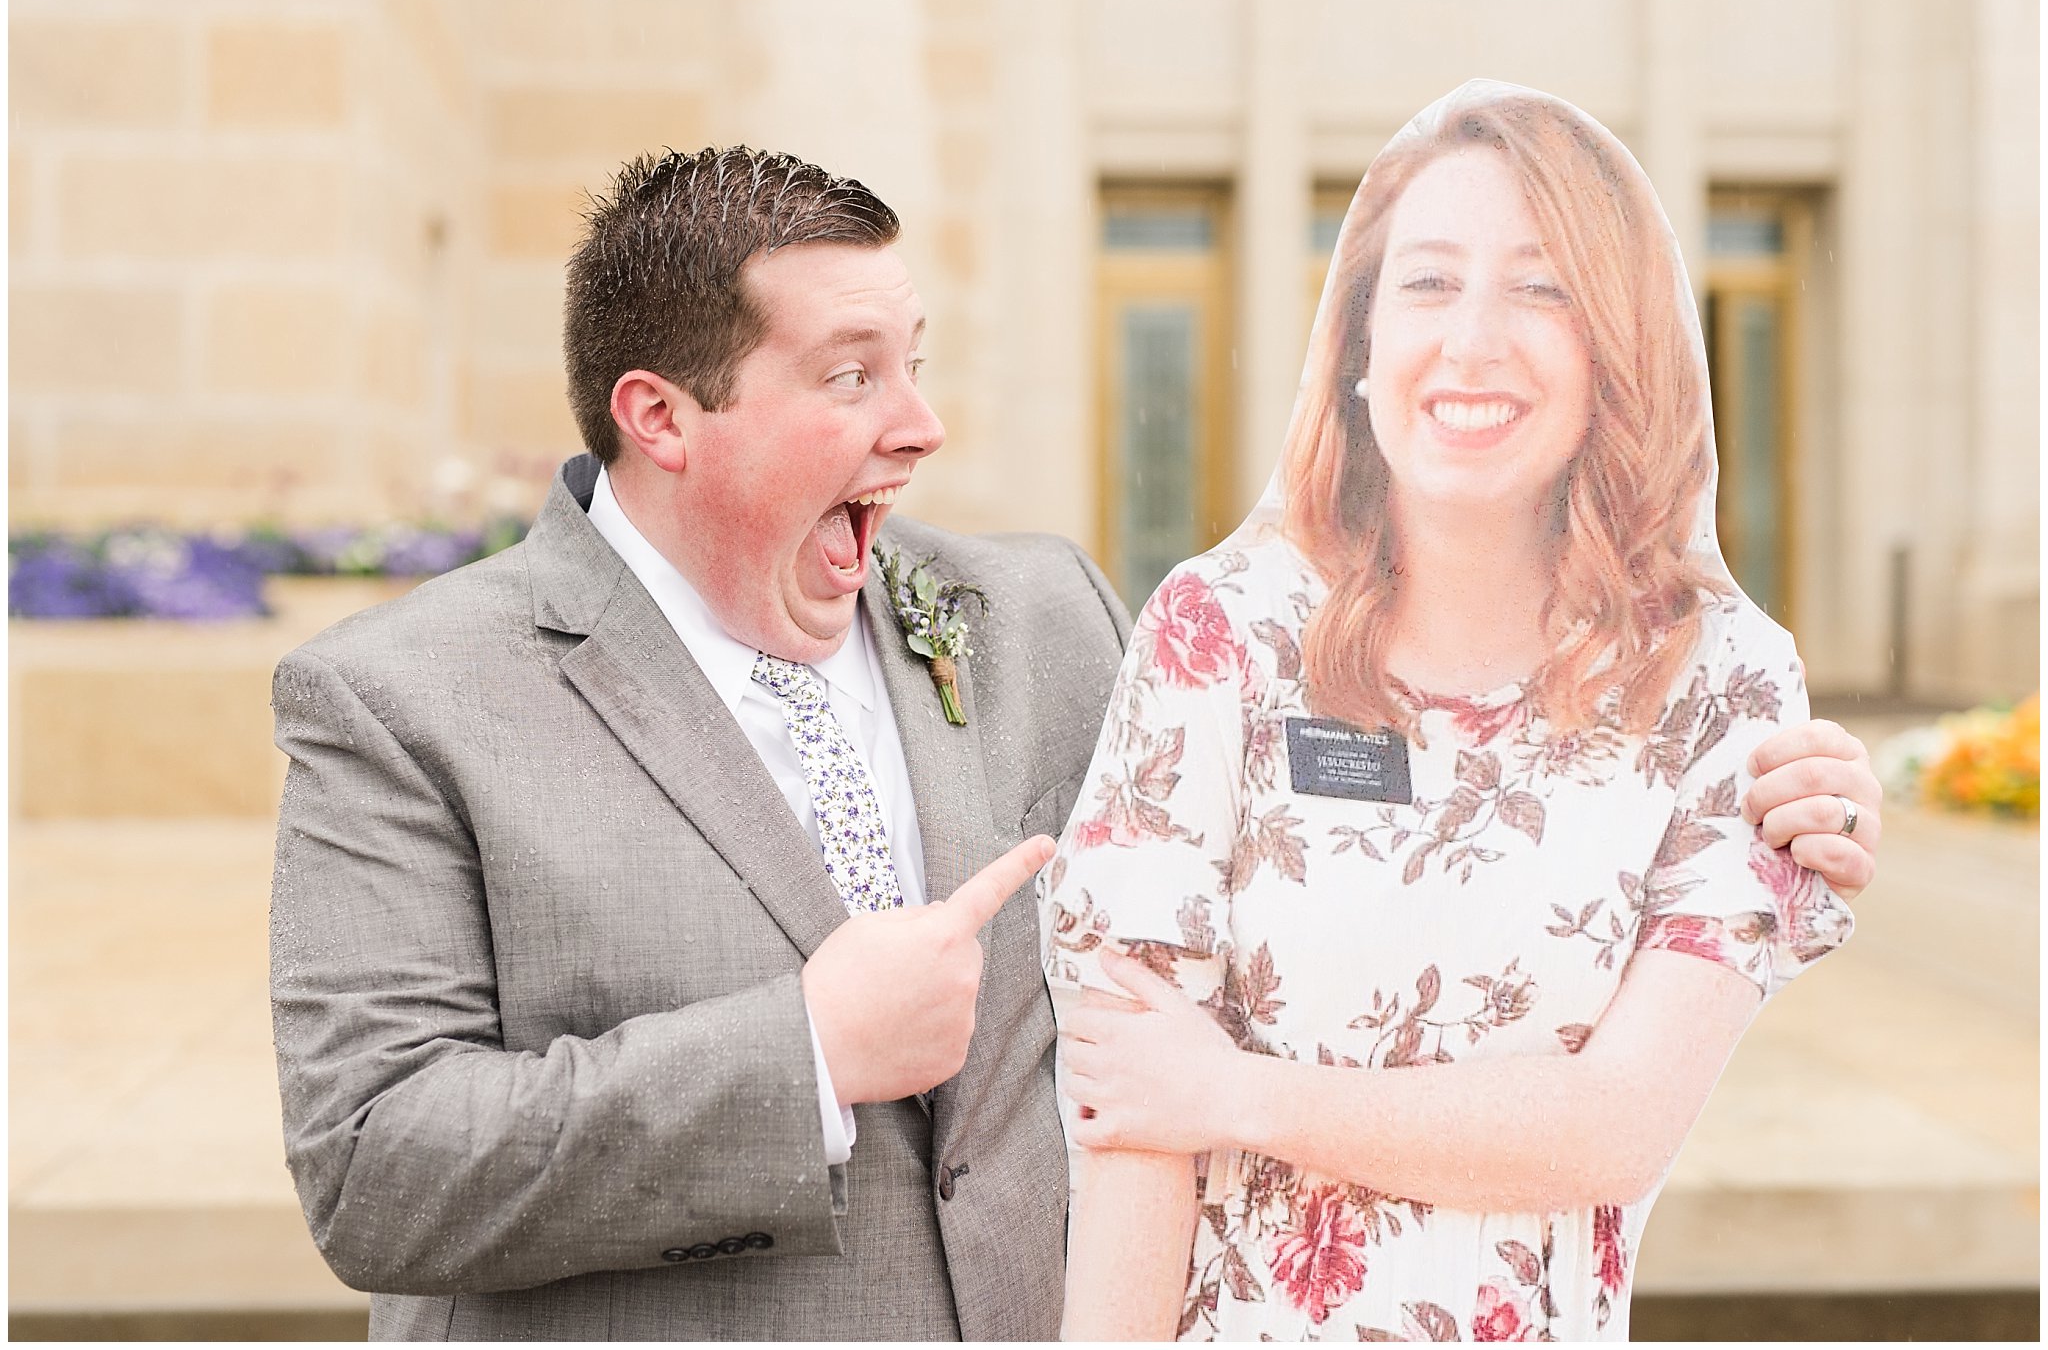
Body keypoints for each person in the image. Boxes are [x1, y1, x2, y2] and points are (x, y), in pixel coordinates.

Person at [270, 141, 1879, 1340]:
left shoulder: (1047, 616)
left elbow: (1395, 829)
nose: (923, 424)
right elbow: (376, 1170)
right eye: (851, 374)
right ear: (662, 415)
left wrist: (1763, 812)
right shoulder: (406, 702)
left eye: (917, 360)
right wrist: (805, 1053)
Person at [1042, 82, 1871, 1342]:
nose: (1472, 341)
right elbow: (1131, 1121)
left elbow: (1613, 1125)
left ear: (1616, 346)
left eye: (1539, 289)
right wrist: (1178, 1103)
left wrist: (1235, 1093)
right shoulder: (1220, 631)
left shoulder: (1722, 681)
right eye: (1427, 283)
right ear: (1359, 343)